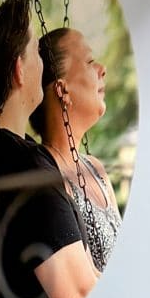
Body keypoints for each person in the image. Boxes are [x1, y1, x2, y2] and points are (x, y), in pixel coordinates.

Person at [0, 0, 97, 298]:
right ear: (20, 70)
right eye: (36, 52)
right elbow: (78, 295)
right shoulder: (26, 168)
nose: (43, 65)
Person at [30, 28, 122, 273]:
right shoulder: (48, 178)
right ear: (62, 90)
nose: (102, 68)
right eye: (90, 61)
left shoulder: (96, 169)